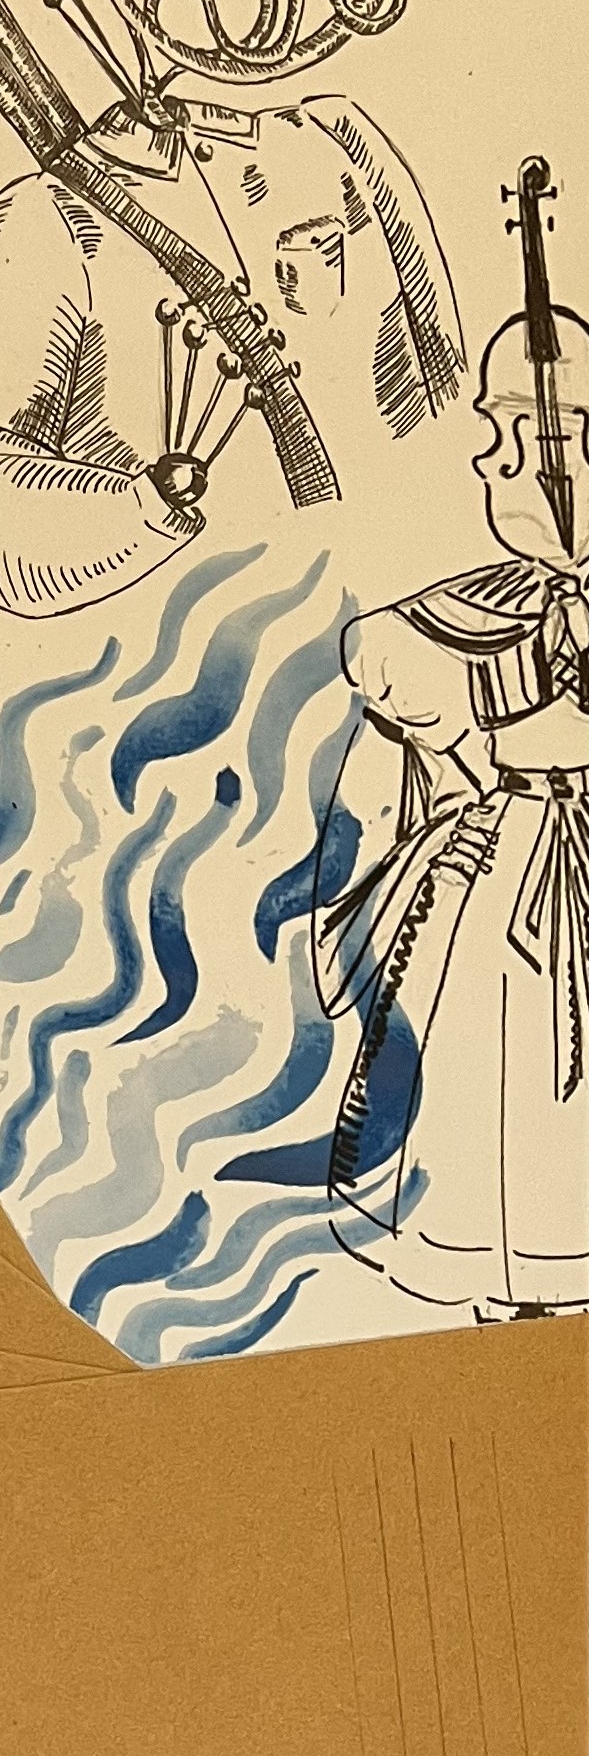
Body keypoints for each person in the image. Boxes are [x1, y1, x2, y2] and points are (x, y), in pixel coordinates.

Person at [0, 0, 572, 623]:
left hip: (408, 613)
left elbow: (447, 395)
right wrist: (142, 508)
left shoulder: (340, 139)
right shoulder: (37, 223)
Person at [315, 161, 589, 1314]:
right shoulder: (483, 610)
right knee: (498, 1108)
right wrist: (469, 762)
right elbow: (385, 663)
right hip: (507, 872)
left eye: (523, 437)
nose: (491, 460)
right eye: (493, 433)